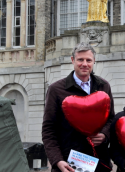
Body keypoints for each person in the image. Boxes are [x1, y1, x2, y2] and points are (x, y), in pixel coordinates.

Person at [42, 42, 115, 172]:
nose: (84, 64)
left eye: (88, 60)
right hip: (68, 164)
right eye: (80, 59)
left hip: (99, 163)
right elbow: (48, 130)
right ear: (72, 60)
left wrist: (104, 134)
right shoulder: (56, 90)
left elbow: (111, 119)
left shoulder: (104, 86)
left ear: (94, 61)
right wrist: (57, 161)